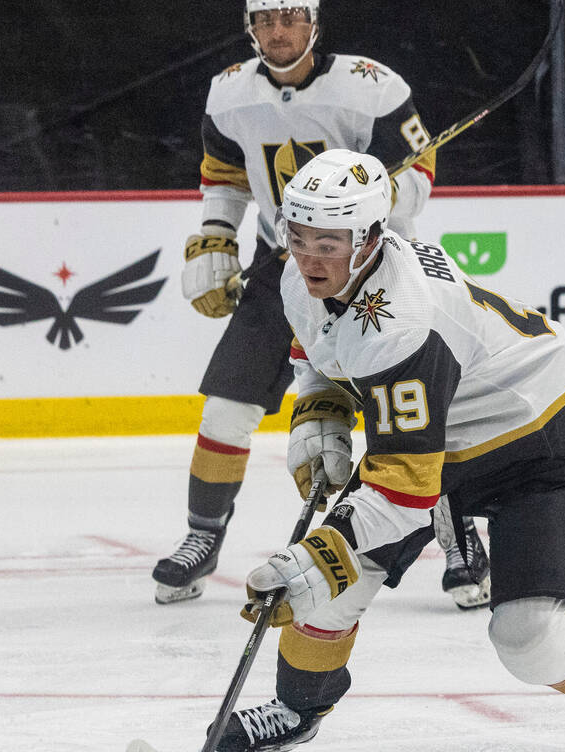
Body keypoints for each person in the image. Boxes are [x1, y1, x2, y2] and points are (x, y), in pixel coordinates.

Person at [212, 149, 565, 752]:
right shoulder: (303, 274)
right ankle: (298, 706)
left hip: (529, 447)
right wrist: (321, 414)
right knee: (335, 592)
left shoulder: (402, 321)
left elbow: (403, 491)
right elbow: (315, 348)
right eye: (299, 236)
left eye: (330, 243)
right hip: (433, 441)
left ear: (369, 239)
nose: (310, 257)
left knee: (527, 641)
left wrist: (314, 559)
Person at [152, 0, 490, 610]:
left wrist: (380, 188)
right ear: (249, 28)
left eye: (291, 19)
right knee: (225, 411)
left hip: (373, 271)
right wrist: (215, 236)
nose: (278, 32)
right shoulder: (228, 96)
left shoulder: (373, 87)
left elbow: (418, 178)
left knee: (424, 414)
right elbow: (224, 176)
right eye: (265, 20)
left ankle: (459, 530)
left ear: (314, 23)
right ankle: (202, 535)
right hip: (284, 265)